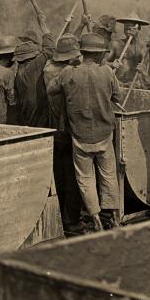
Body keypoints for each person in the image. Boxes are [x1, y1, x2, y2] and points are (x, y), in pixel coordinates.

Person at [47, 33, 122, 232]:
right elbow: (118, 97)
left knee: (85, 178)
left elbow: (51, 89)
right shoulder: (107, 72)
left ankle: (95, 219)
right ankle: (114, 218)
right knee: (108, 176)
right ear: (99, 54)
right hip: (104, 133)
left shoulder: (68, 72)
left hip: (79, 134)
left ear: (82, 52)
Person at [43, 33, 85, 233]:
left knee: (60, 174)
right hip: (67, 128)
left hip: (55, 130)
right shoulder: (66, 73)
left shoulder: (49, 68)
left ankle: (63, 217)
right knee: (72, 175)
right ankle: (72, 221)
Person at [14, 11, 55, 127]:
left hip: (26, 114)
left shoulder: (19, 71)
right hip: (37, 115)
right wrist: (43, 25)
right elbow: (50, 49)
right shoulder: (32, 68)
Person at [107, 12, 149, 84]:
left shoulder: (143, 47)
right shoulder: (116, 44)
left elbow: (147, 68)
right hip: (117, 83)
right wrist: (112, 64)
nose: (128, 30)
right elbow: (102, 62)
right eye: (126, 27)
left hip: (134, 84)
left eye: (132, 27)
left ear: (138, 29)